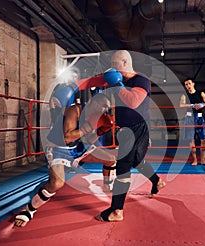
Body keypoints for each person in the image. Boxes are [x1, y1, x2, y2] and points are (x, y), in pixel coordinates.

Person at [14, 93, 116, 227]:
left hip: (76, 149)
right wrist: (90, 126)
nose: (103, 110)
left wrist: (100, 131)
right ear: (92, 102)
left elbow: (88, 141)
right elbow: (67, 137)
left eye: (106, 108)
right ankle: (29, 210)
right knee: (57, 183)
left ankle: (107, 185)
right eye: (102, 105)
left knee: (111, 159)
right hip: (58, 149)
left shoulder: (95, 118)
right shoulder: (75, 110)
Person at [95, 50, 166, 222]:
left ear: (125, 63)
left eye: (115, 64)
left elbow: (133, 102)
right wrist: (76, 84)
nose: (113, 68)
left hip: (138, 128)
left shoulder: (141, 80)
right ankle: (157, 181)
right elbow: (100, 85)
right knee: (136, 162)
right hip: (125, 129)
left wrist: (116, 83)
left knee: (123, 167)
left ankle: (117, 210)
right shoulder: (117, 80)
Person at [179, 79, 205, 167]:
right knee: (191, 139)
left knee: (204, 140)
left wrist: (202, 104)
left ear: (193, 84)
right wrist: (192, 105)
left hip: (199, 118)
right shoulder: (184, 95)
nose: (188, 86)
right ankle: (195, 160)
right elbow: (181, 105)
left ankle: (203, 160)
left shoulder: (201, 93)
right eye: (186, 84)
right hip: (189, 117)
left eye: (189, 83)